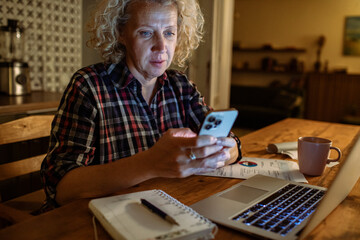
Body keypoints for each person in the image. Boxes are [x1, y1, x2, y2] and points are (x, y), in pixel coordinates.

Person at [40, 0, 242, 209]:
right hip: (104, 219)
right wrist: (150, 163)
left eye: (169, 33)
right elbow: (61, 187)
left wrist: (223, 151)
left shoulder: (181, 86)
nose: (161, 46)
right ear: (120, 33)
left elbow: (233, 146)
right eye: (146, 33)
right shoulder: (89, 86)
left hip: (173, 209)